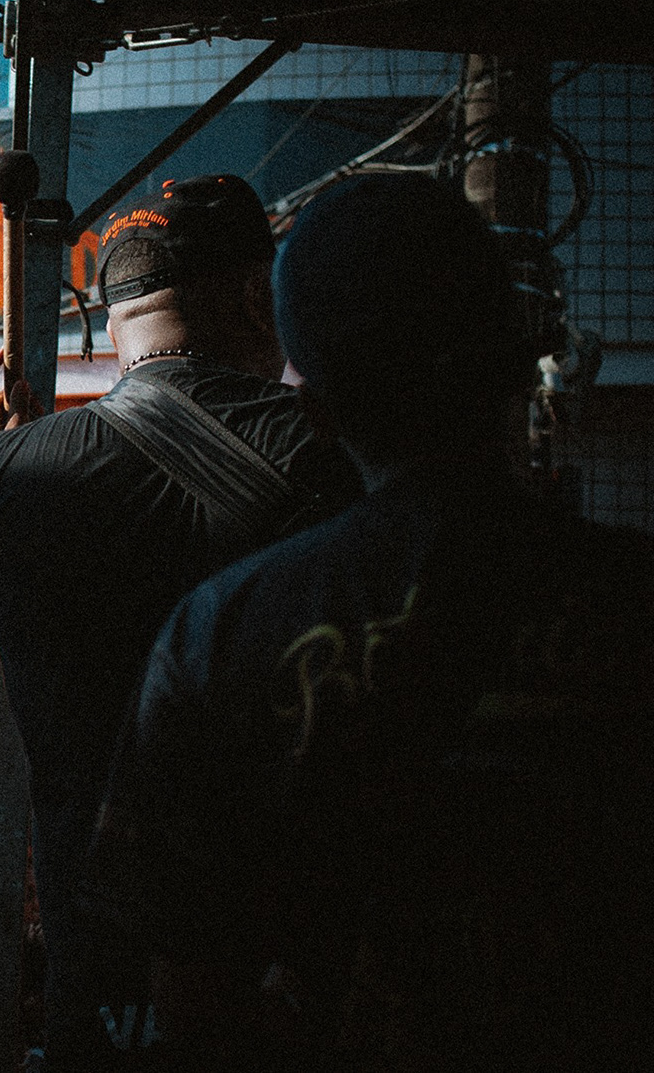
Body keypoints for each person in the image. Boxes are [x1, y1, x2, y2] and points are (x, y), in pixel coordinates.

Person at [90, 174, 654, 1070]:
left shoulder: (219, 636)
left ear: (316, 410)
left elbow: (190, 988)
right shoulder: (628, 602)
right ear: (519, 363)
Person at [0, 175, 363, 1068]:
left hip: (100, 989)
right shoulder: (338, 454)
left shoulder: (3, 475)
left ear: (113, 319)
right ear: (258, 297)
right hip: (304, 980)